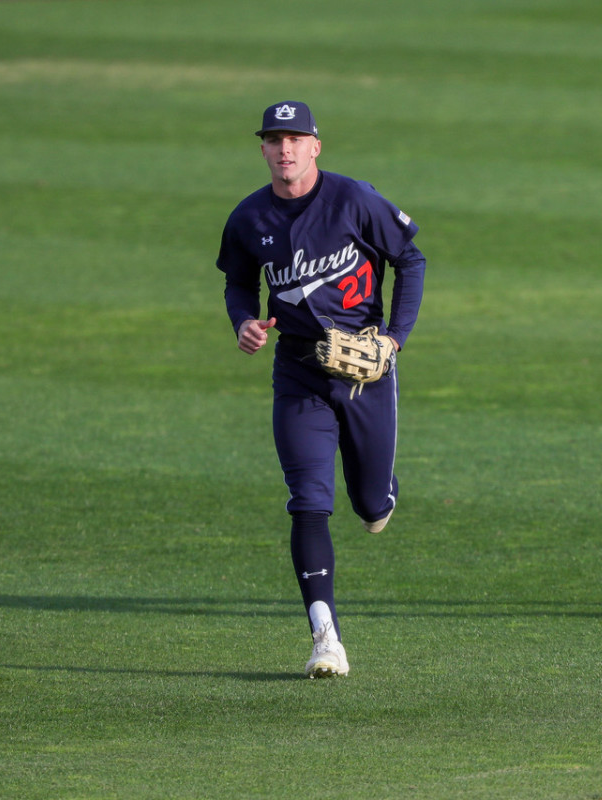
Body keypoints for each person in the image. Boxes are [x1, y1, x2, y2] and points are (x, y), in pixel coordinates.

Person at [215, 101, 426, 675]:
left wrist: (395, 339)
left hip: (365, 375)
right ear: (262, 148)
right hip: (299, 373)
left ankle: (382, 490)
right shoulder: (248, 218)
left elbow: (410, 257)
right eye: (273, 139)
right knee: (308, 499)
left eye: (295, 139)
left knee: (370, 504)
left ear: (315, 146)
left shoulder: (353, 200)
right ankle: (324, 636)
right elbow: (238, 281)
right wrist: (243, 321)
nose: (284, 149)